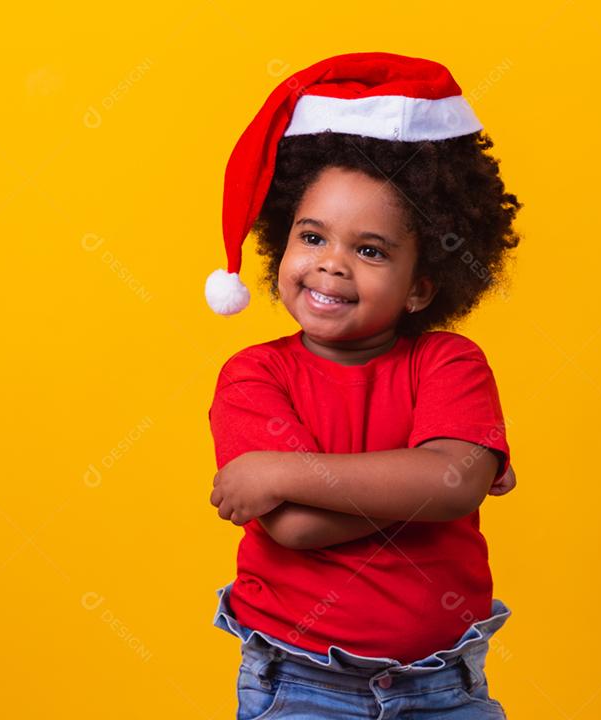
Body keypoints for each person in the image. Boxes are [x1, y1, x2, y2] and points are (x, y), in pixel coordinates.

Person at [205, 52, 523, 719]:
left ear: (421, 287)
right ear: (279, 241)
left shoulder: (449, 363)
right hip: (297, 684)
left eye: (370, 249)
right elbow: (293, 527)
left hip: (443, 686)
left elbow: (454, 484)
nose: (331, 264)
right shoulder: (254, 376)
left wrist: (280, 468)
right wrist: (420, 481)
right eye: (312, 235)